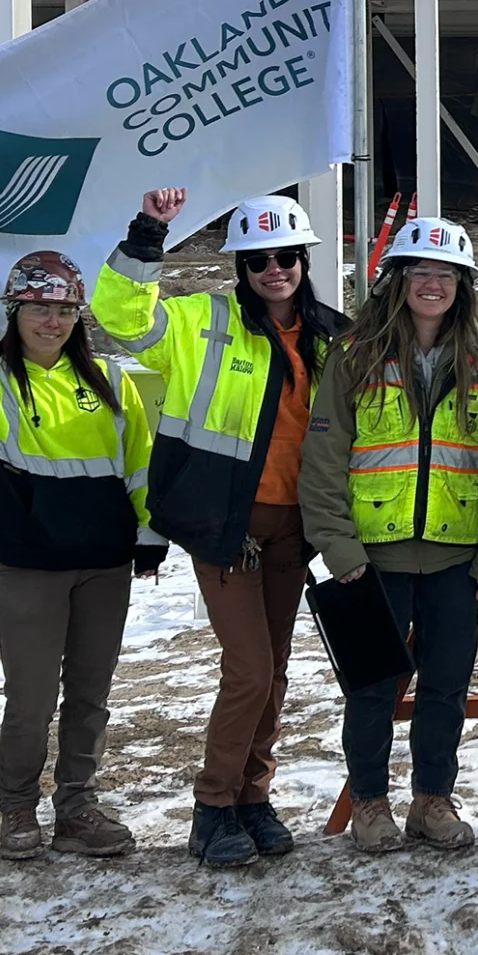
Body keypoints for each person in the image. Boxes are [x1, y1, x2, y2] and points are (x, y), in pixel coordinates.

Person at [93, 188, 346, 869]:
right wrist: (149, 233)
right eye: (258, 258)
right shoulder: (199, 322)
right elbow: (120, 316)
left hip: (296, 527)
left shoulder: (329, 333)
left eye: (286, 256)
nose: (274, 269)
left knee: (277, 672)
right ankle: (212, 808)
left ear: (303, 259)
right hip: (226, 526)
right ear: (239, 266)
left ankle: (252, 798)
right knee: (250, 670)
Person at [0, 204, 160, 862]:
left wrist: (150, 535)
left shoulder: (110, 384)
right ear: (14, 312)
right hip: (29, 571)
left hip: (103, 569)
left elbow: (139, 466)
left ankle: (77, 806)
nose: (53, 321)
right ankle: (18, 808)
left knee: (90, 696)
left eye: (66, 310)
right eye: (39, 308)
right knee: (30, 699)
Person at [297, 217, 478, 855]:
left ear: (463, 285)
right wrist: (339, 550)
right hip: (370, 562)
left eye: (446, 274)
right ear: (395, 281)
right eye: (419, 271)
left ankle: (432, 800)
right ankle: (370, 803)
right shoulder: (354, 355)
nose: (432, 284)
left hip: (457, 562)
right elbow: (322, 461)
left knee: (446, 687)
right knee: (371, 688)